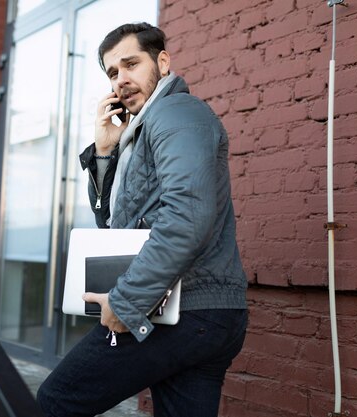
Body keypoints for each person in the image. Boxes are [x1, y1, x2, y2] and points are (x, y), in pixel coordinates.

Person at [37, 22, 248, 417]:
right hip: (204, 314)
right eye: (112, 73)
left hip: (184, 308)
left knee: (56, 400)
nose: (121, 80)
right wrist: (103, 153)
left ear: (162, 62)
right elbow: (114, 228)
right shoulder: (142, 131)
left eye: (131, 64)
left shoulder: (176, 111)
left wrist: (127, 300)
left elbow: (188, 213)